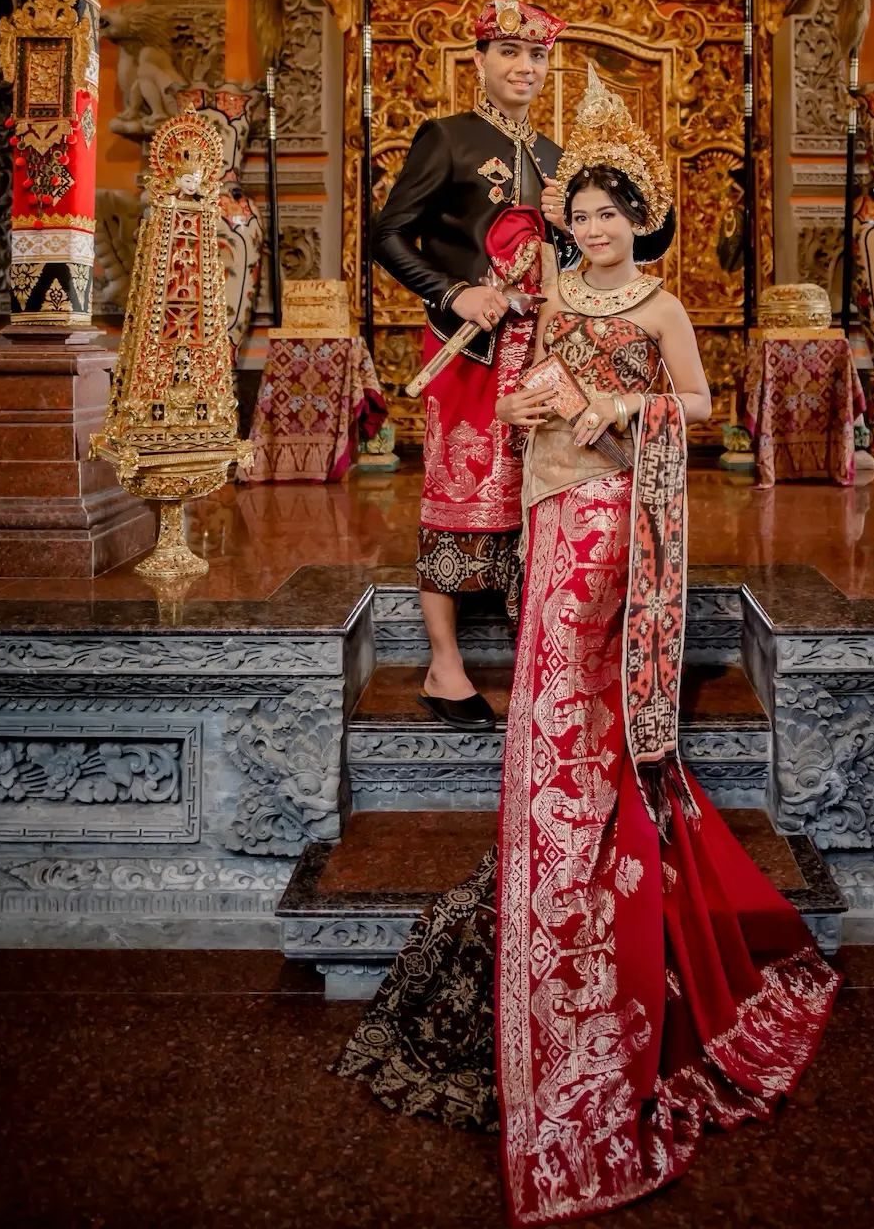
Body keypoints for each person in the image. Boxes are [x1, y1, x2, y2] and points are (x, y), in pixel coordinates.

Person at [341, 69, 839, 1224]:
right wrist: (525, 405)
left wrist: (624, 409)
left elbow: (700, 403)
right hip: (548, 506)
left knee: (567, 667)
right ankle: (570, 818)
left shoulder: (660, 306)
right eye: (582, 212)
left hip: (617, 514)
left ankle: (571, 833)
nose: (596, 227)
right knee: (551, 667)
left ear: (639, 218)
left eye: (612, 211)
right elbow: (518, 382)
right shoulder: (553, 295)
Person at [372, 0, 570, 728]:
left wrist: (566, 232)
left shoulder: (555, 158)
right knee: (458, 492)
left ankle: (536, 650)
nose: (524, 67)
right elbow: (387, 236)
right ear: (480, 59)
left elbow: (569, 260)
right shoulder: (447, 138)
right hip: (468, 349)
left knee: (536, 492)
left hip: (541, 348)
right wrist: (454, 292)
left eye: (537, 55)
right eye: (509, 52)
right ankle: (444, 664)